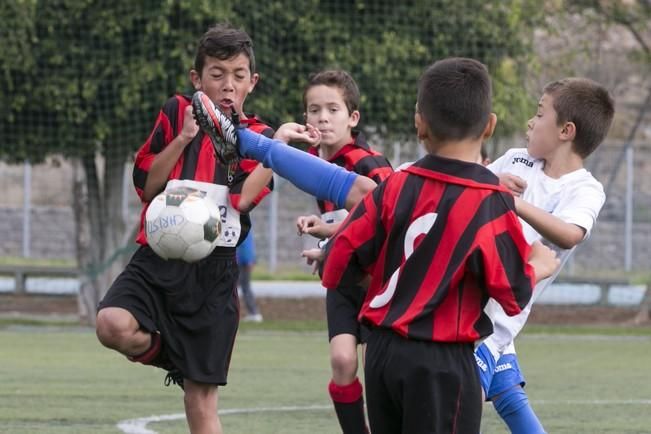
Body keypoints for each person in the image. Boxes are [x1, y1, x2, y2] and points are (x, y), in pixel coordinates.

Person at [94, 23, 317, 434]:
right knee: (111, 324)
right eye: (217, 74)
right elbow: (146, 184)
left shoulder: (260, 137)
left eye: (237, 76)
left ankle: (188, 363)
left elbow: (242, 199)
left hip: (213, 273)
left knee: (199, 401)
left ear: (253, 82)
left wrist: (277, 149)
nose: (227, 85)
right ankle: (172, 355)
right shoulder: (177, 110)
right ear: (197, 78)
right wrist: (181, 140)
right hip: (157, 258)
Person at [319, 58, 559, 434]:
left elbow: (336, 263)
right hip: (441, 362)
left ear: (419, 124)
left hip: (381, 354)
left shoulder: (394, 186)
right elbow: (512, 293)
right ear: (490, 125)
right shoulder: (489, 200)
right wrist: (541, 264)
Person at [474, 77, 615, 433]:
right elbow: (469, 190)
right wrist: (491, 184)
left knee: (457, 402)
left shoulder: (585, 189)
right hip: (472, 296)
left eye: (539, 114)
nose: (530, 123)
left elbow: (570, 234)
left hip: (495, 319)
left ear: (566, 131)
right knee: (508, 396)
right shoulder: (515, 160)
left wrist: (514, 203)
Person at [294, 69, 393, 434]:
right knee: (341, 361)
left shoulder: (369, 163)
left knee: (378, 370)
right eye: (314, 109)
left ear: (353, 118)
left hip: (376, 282)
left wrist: (330, 231)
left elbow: (386, 217)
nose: (322, 117)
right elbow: (344, 222)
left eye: (332, 109)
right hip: (342, 279)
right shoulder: (313, 160)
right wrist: (324, 245)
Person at [237, 229, 262, 322]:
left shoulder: (244, 227)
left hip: (243, 262)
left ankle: (254, 312)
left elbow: (247, 245)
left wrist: (249, 261)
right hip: (241, 261)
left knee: (244, 287)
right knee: (241, 287)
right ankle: (253, 312)